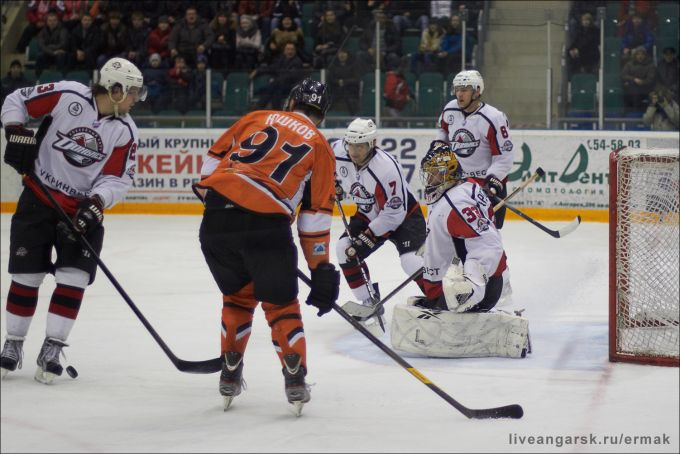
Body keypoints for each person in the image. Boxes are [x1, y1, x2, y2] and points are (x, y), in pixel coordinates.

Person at [193, 78, 340, 414]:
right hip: (267, 228)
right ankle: (295, 376)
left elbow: (212, 163)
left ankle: (230, 368)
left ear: (291, 102)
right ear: (322, 115)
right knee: (281, 305)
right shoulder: (320, 145)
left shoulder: (256, 117)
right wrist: (320, 269)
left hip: (216, 222)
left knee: (237, 298)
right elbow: (314, 218)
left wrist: (223, 206)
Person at [0, 57, 145, 383]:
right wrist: (15, 130)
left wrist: (96, 203)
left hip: (80, 210)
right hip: (38, 197)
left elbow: (118, 179)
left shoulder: (125, 131)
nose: (137, 98)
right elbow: (16, 101)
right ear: (116, 89)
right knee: (27, 275)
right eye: (133, 91)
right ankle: (14, 343)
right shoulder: (69, 95)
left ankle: (53, 346)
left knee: (74, 276)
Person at [390, 140, 529, 359]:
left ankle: (493, 325)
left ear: (449, 174)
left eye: (435, 174)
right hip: (488, 278)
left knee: (449, 295)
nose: (430, 179)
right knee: (434, 282)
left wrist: (465, 288)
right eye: (429, 173)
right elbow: (484, 226)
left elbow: (487, 245)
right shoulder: (470, 186)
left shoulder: (450, 206)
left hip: (481, 287)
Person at [332, 118, 426, 329]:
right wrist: (333, 182)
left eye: (360, 146)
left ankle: (438, 298)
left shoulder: (386, 168)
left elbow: (394, 213)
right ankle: (369, 301)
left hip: (405, 217)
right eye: (351, 145)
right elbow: (324, 164)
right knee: (344, 249)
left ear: (372, 144)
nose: (354, 151)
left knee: (411, 261)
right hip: (368, 214)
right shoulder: (338, 150)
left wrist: (367, 236)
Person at [435, 70, 514, 230]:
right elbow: (443, 130)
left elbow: (504, 157)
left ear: (477, 91)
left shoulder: (494, 118)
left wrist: (493, 180)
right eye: (457, 89)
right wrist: (439, 147)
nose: (459, 94)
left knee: (487, 235)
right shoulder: (450, 109)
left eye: (464, 89)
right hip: (458, 184)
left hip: (485, 186)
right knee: (454, 232)